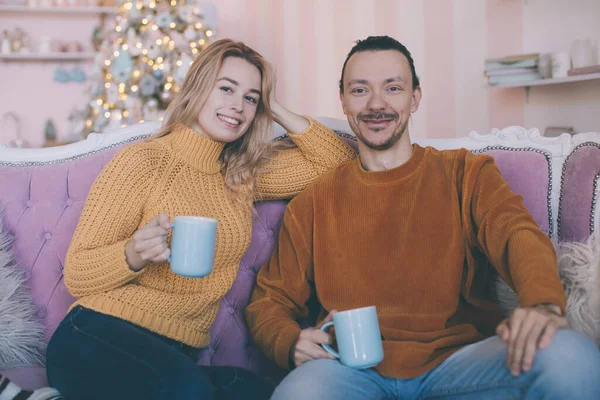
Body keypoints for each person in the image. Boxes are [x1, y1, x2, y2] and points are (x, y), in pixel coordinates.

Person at [246, 36, 600, 400]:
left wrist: (542, 303)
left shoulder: (466, 172)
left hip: (460, 362)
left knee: (572, 358)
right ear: (344, 100)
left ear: (414, 98)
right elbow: (270, 299)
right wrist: (290, 343)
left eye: (393, 88)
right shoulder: (314, 201)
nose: (376, 104)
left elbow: (516, 234)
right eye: (360, 90)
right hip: (350, 371)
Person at [45, 39, 355, 400]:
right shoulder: (144, 161)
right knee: (188, 390)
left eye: (251, 98)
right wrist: (133, 253)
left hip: (172, 354)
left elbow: (337, 162)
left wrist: (274, 108)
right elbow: (79, 274)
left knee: (253, 392)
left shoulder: (241, 174)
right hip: (96, 335)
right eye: (226, 88)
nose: (237, 106)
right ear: (198, 88)